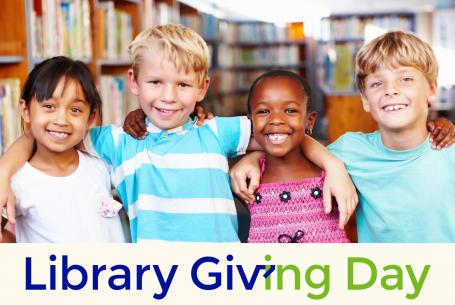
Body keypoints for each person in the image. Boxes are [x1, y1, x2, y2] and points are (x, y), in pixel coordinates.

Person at [1, 24, 356, 243]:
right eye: (156, 82)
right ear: (134, 82)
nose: (169, 97)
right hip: (153, 283)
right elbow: (48, 131)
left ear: (203, 88)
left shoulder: (215, 131)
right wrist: (4, 172)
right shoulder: (117, 142)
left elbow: (280, 132)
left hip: (224, 279)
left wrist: (333, 166)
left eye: (183, 85)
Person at [230, 31, 455, 242]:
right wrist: (256, 155)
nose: (391, 90)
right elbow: (292, 145)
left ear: (432, 90)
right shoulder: (350, 151)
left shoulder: (449, 151)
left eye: (405, 79)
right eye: (377, 83)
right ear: (365, 99)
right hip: (385, 279)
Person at [0, 56, 127, 242]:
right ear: (26, 110)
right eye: (49, 106)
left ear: (90, 117)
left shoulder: (102, 162)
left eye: (75, 110)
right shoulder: (16, 183)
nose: (61, 120)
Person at [245, 70, 349, 243]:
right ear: (250, 122)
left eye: (290, 110)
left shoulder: (332, 176)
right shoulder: (247, 182)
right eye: (263, 111)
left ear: (309, 120)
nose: (276, 120)